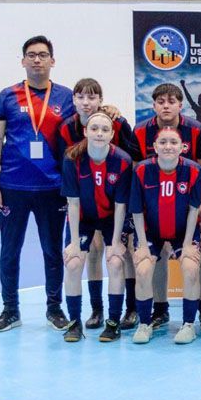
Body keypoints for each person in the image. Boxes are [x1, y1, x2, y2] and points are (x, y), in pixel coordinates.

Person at [0, 35, 75, 332]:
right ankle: (10, 310)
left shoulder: (66, 98)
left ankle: (54, 308)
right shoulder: (7, 96)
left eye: (43, 54)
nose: (37, 59)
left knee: (52, 251)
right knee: (9, 251)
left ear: (53, 60)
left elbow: (84, 127)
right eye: (32, 55)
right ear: (23, 61)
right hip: (13, 187)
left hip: (52, 188)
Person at [57, 77, 141, 330]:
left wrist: (117, 238)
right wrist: (73, 241)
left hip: (115, 203)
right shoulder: (69, 139)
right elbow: (72, 197)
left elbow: (134, 160)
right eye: (81, 97)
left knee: (120, 255)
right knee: (85, 255)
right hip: (85, 205)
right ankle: (95, 311)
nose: (86, 102)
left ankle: (129, 310)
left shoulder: (119, 126)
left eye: (92, 97)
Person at [132, 83, 201, 332]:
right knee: (155, 259)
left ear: (180, 105)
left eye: (171, 101)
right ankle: (159, 310)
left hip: (189, 204)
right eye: (161, 102)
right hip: (154, 208)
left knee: (197, 258)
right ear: (153, 105)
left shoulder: (196, 130)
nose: (166, 106)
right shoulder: (140, 131)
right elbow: (137, 172)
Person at [129, 127, 201, 345]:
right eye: (163, 142)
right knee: (143, 269)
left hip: (182, 231)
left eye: (173, 142)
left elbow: (193, 209)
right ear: (155, 147)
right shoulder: (142, 170)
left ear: (182, 147)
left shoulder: (193, 170)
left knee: (190, 268)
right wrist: (143, 246)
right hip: (151, 231)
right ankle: (144, 323)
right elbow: (136, 211)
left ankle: (188, 324)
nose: (168, 146)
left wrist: (188, 243)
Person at [180, 72, 201, 136]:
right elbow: (189, 99)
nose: (199, 101)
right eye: (199, 99)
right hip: (200, 134)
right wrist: (183, 86)